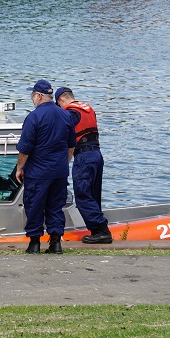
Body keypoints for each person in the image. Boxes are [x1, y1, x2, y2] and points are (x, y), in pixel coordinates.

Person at [16, 80, 76, 254]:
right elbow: (71, 146)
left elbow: (25, 148)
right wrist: (64, 164)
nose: (32, 98)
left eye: (32, 94)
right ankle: (55, 243)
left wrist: (20, 168)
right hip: (59, 171)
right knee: (56, 206)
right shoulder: (66, 115)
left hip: (38, 172)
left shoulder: (34, 117)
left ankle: (34, 243)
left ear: (39, 96)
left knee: (34, 205)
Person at [55, 87, 112, 243]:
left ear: (61, 100)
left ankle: (102, 230)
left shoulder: (70, 113)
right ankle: (96, 232)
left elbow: (63, 135)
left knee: (82, 195)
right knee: (93, 195)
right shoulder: (89, 109)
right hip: (97, 155)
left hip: (84, 157)